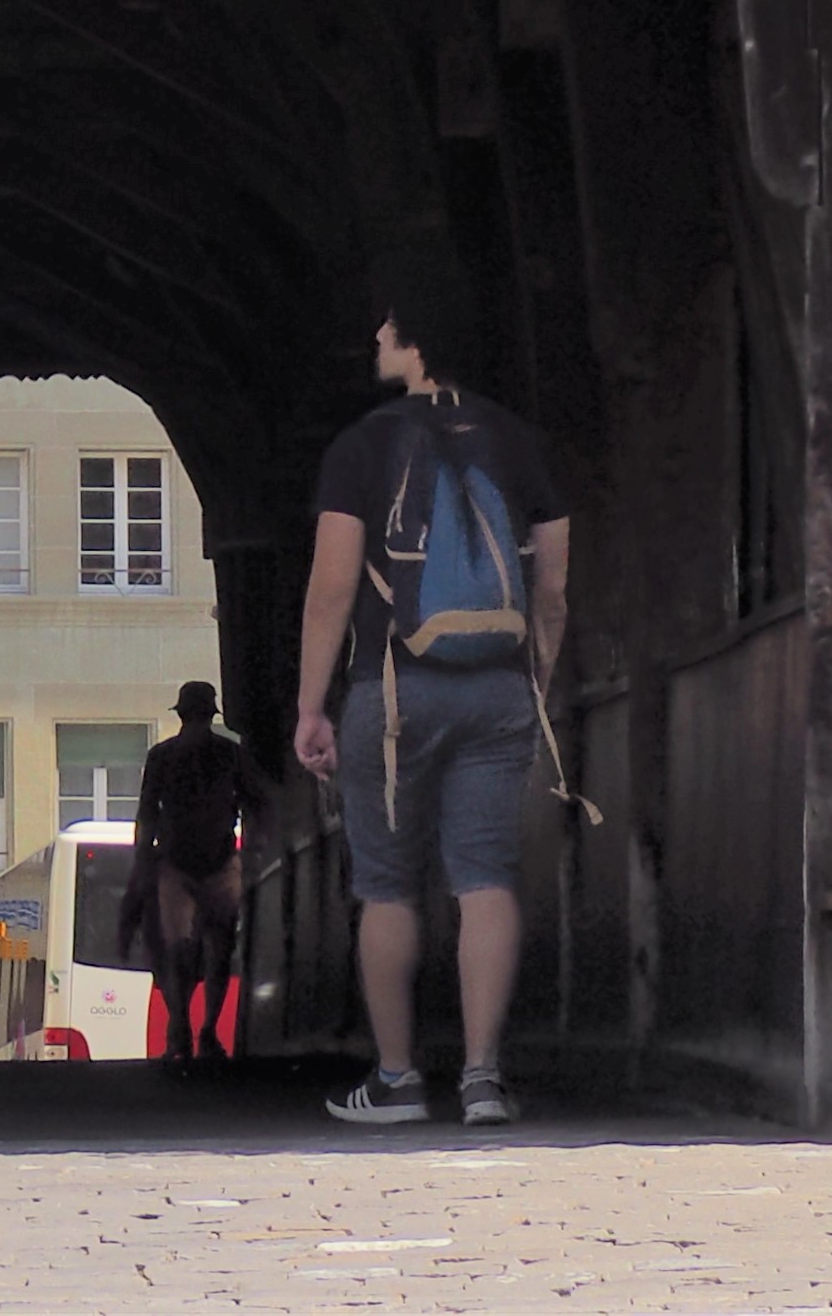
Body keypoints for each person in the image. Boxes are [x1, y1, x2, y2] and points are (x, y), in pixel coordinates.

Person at [294, 263, 569, 1132]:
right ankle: (482, 1078)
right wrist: (537, 682)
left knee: (385, 885)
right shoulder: (521, 443)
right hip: (496, 689)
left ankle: (399, 1076)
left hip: (390, 685)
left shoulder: (362, 446)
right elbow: (552, 589)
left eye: (386, 327)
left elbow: (332, 589)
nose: (376, 338)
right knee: (484, 876)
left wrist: (311, 705)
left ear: (414, 341)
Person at [118, 679, 275, 1069]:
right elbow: (258, 804)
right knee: (220, 950)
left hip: (174, 865)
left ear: (183, 714)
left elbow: (147, 813)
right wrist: (257, 849)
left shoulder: (161, 757)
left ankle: (181, 1025)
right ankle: (205, 1031)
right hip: (221, 862)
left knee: (177, 952)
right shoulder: (230, 755)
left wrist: (142, 861)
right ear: (211, 714)